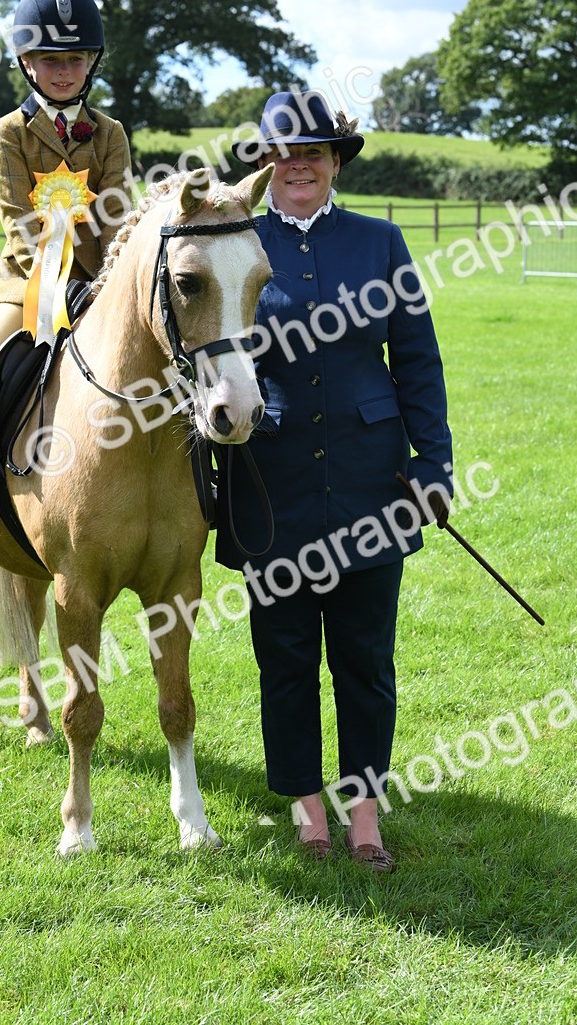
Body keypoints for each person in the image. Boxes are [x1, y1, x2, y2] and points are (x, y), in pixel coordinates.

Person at [216, 90, 452, 870]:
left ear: (336, 162)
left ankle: (365, 814)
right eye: (283, 153)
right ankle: (305, 805)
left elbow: (416, 359)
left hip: (370, 484)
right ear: (265, 164)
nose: (298, 165)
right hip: (269, 481)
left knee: (364, 660)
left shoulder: (382, 242)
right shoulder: (237, 242)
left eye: (313, 152)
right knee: (283, 658)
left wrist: (433, 464)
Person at [0, 0, 132, 533]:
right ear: (26, 62)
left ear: (91, 62)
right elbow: (17, 221)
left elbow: (117, 215)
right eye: (50, 60)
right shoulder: (9, 133)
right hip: (26, 282)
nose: (63, 71)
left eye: (74, 59)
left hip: (99, 282)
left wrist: (108, 279)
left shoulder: (110, 134)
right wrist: (53, 283)